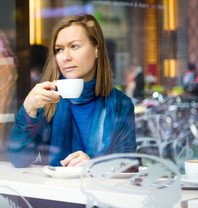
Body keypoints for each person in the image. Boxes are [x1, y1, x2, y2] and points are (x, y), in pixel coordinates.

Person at [8, 14, 136, 168]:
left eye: (74, 46)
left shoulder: (120, 103)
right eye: (59, 49)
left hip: (98, 190)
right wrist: (28, 108)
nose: (65, 57)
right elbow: (18, 160)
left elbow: (131, 165)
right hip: (50, 189)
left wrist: (95, 164)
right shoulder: (46, 98)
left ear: (97, 50)